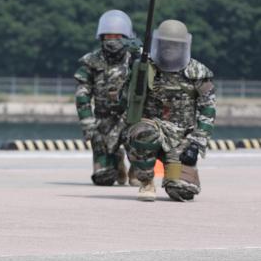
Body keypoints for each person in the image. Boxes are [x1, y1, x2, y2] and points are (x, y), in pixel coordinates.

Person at [125, 19, 216, 202]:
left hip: (181, 139)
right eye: (165, 44)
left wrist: (196, 144)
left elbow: (208, 109)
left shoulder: (197, 72)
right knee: (143, 132)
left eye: (174, 45)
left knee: (182, 191)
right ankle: (146, 180)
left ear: (184, 46)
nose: (169, 48)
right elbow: (126, 100)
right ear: (158, 44)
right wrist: (134, 72)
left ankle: (172, 171)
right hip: (152, 129)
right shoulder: (146, 67)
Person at [74, 10, 140, 186]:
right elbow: (82, 96)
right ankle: (115, 159)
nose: (112, 39)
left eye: (117, 35)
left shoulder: (137, 60)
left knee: (139, 179)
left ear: (126, 37)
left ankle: (137, 168)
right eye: (108, 35)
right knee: (104, 179)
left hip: (131, 119)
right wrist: (90, 129)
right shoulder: (91, 62)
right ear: (101, 37)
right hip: (103, 123)